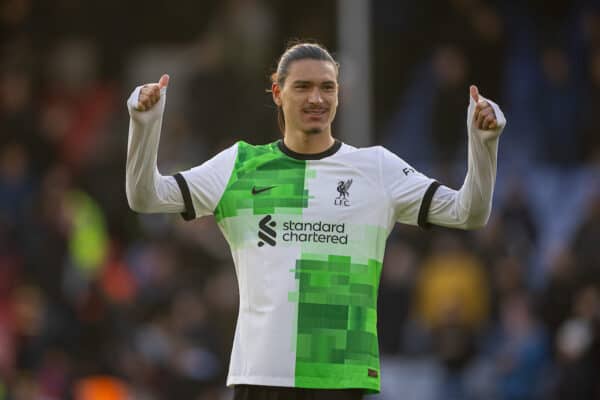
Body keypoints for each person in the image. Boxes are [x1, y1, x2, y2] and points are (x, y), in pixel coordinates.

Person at [125, 42, 506, 400]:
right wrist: (145, 125)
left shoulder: (376, 168)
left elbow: (467, 212)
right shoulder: (239, 166)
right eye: (303, 86)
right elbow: (146, 197)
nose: (316, 98)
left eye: (327, 87)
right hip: (261, 377)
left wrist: (483, 142)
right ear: (277, 92)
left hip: (340, 376)